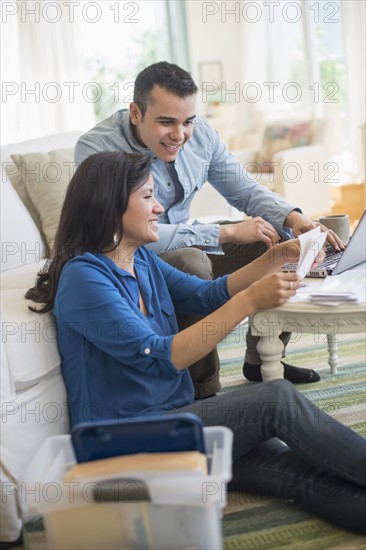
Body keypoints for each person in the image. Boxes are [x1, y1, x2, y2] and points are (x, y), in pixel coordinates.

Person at [26, 152, 365, 534]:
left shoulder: (140, 260)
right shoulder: (84, 278)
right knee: (276, 400)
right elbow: (164, 357)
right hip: (121, 446)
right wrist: (251, 301)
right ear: (110, 204)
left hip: (176, 424)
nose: (158, 208)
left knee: (296, 472)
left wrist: (279, 255)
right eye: (148, 197)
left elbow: (207, 295)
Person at [74, 62, 344, 397]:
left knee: (273, 243)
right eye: (166, 122)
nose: (180, 135)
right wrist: (224, 233)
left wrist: (293, 218)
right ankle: (202, 389)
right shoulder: (97, 150)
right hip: (146, 252)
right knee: (192, 261)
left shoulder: (199, 135)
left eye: (187, 121)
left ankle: (261, 360)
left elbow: (243, 189)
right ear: (135, 113)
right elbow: (118, 238)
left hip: (187, 237)